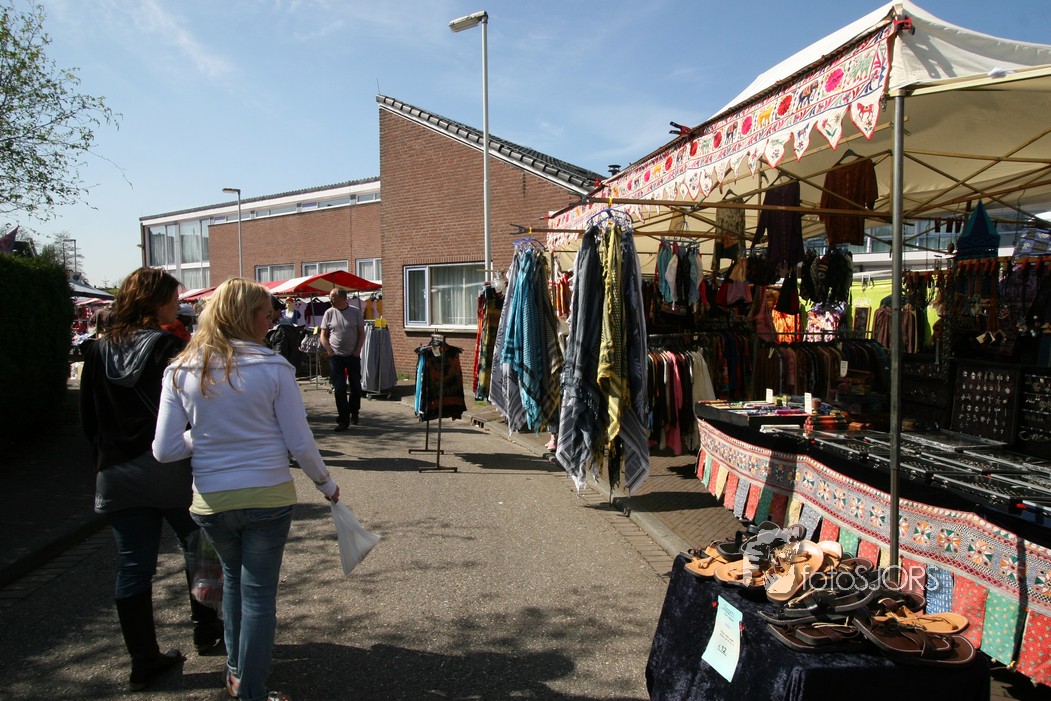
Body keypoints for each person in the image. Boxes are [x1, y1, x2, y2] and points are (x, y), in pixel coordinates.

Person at [153, 278, 341, 701]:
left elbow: (164, 450)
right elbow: (299, 442)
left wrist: (203, 435)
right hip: (267, 497)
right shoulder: (273, 367)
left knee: (234, 587)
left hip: (212, 500)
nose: (271, 321)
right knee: (257, 596)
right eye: (265, 314)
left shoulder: (182, 368)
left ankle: (238, 675)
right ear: (245, 316)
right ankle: (252, 691)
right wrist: (326, 484)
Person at [80, 267, 222, 692]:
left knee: (133, 567)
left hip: (117, 472)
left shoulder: (96, 350)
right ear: (156, 301)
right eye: (174, 297)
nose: (178, 304)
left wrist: (107, 458)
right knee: (199, 549)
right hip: (168, 468)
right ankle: (206, 630)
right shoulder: (167, 346)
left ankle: (143, 662)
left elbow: (88, 418)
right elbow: (193, 408)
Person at [320, 287, 365, 431]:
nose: (330, 300)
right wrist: (329, 351)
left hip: (353, 355)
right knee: (339, 388)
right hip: (336, 356)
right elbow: (323, 335)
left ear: (343, 298)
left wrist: (357, 350)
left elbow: (361, 333)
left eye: (333, 297)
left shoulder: (355, 312)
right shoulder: (329, 313)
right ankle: (343, 420)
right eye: (330, 297)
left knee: (356, 387)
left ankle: (354, 411)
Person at [264, 296, 302, 373]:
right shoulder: (283, 327)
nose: (268, 315)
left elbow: (279, 356)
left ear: (278, 310)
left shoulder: (281, 330)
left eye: (270, 312)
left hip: (280, 372)